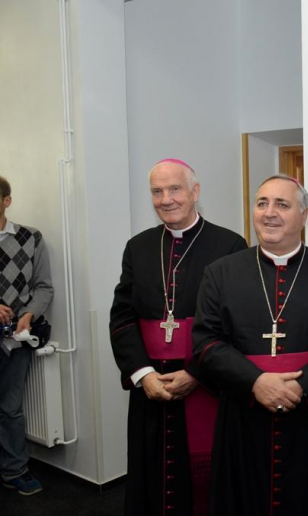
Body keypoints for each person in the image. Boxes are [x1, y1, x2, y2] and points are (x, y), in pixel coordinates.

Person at [192, 175, 308, 516]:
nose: (269, 213)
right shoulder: (220, 273)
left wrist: (301, 387)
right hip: (244, 413)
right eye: (262, 203)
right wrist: (256, 382)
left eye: (282, 205)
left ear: (304, 216)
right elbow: (205, 341)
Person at [109, 159, 246, 515]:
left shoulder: (230, 245)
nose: (166, 199)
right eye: (157, 191)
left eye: (175, 189)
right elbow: (123, 316)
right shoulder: (137, 247)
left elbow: (237, 323)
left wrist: (197, 374)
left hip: (205, 383)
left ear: (195, 192)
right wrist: (143, 374)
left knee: (207, 481)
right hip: (151, 386)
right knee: (150, 475)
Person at [0, 176, 53, 496]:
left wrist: (30, 314)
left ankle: (14, 471)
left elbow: (44, 286)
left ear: (7, 200)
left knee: (10, 408)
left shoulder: (30, 237)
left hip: (14, 339)